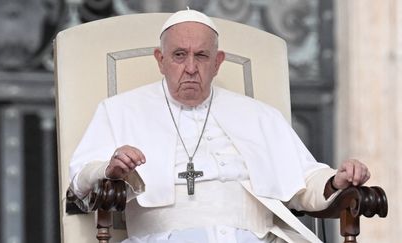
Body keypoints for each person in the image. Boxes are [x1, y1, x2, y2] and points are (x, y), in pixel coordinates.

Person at [69, 9, 370, 243]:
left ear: (218, 62)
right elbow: (81, 177)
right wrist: (109, 170)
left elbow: (305, 180)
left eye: (201, 56)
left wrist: (335, 181)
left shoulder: (259, 115)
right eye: (178, 55)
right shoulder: (120, 110)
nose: (190, 67)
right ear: (160, 60)